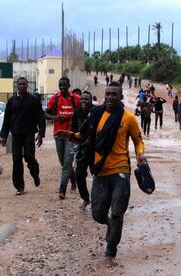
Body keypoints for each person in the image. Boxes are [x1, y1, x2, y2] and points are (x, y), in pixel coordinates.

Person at [55, 82, 146, 267]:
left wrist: (140, 154)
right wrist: (70, 136)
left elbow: (138, 140)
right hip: (100, 170)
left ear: (120, 97)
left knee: (118, 213)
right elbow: (82, 136)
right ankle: (109, 224)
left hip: (121, 170)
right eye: (108, 94)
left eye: (114, 94)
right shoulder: (96, 115)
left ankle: (111, 251)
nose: (110, 97)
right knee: (97, 214)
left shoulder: (128, 118)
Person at [1, 77, 45, 195]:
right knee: (16, 159)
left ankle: (35, 174)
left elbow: (40, 117)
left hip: (29, 133)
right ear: (17, 86)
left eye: (24, 84)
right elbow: (6, 119)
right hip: (15, 134)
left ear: (27, 86)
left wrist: (41, 134)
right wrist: (4, 136)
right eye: (20, 84)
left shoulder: (33, 99)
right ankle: (19, 186)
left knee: (29, 157)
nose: (22, 86)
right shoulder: (12, 100)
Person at [45, 77, 80, 199]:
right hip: (58, 135)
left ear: (69, 85)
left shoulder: (76, 98)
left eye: (65, 85)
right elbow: (45, 113)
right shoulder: (55, 99)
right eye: (60, 85)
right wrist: (55, 118)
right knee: (63, 162)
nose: (62, 87)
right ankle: (73, 179)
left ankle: (62, 190)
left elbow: (83, 112)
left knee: (67, 163)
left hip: (71, 136)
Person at [71, 91, 95, 210]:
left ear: (91, 100)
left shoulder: (96, 112)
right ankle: (86, 199)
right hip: (82, 149)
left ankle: (99, 199)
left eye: (86, 99)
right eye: (81, 99)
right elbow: (74, 131)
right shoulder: (77, 113)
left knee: (97, 174)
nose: (83, 101)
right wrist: (76, 141)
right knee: (79, 175)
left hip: (96, 150)